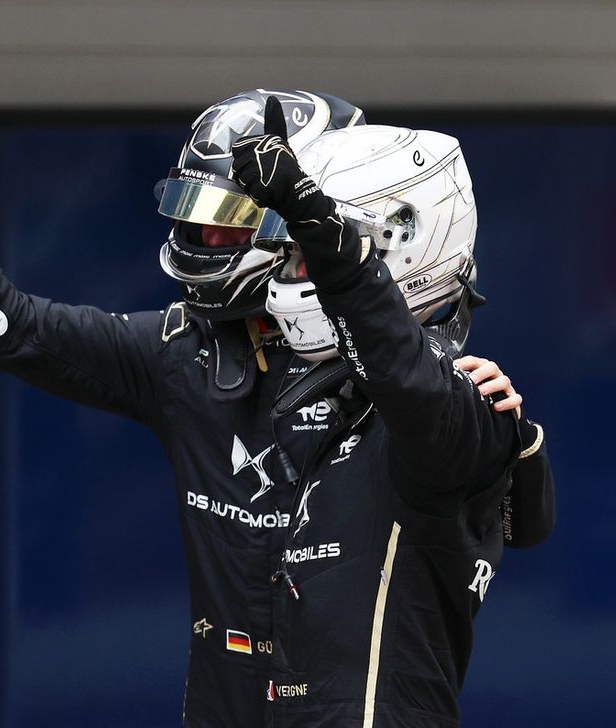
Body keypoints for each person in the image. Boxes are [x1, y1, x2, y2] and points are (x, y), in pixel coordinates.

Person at [0, 71, 553, 727]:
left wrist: (318, 227)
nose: (207, 238)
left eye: (234, 221)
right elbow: (10, 330)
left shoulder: (436, 390)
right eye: (196, 215)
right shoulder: (183, 353)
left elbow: (425, 395)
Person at [228, 100, 552, 725]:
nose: (296, 272)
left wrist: (313, 216)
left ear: (398, 247)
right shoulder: (346, 407)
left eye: (309, 257)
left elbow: (396, 362)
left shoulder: (456, 411)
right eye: (296, 254)